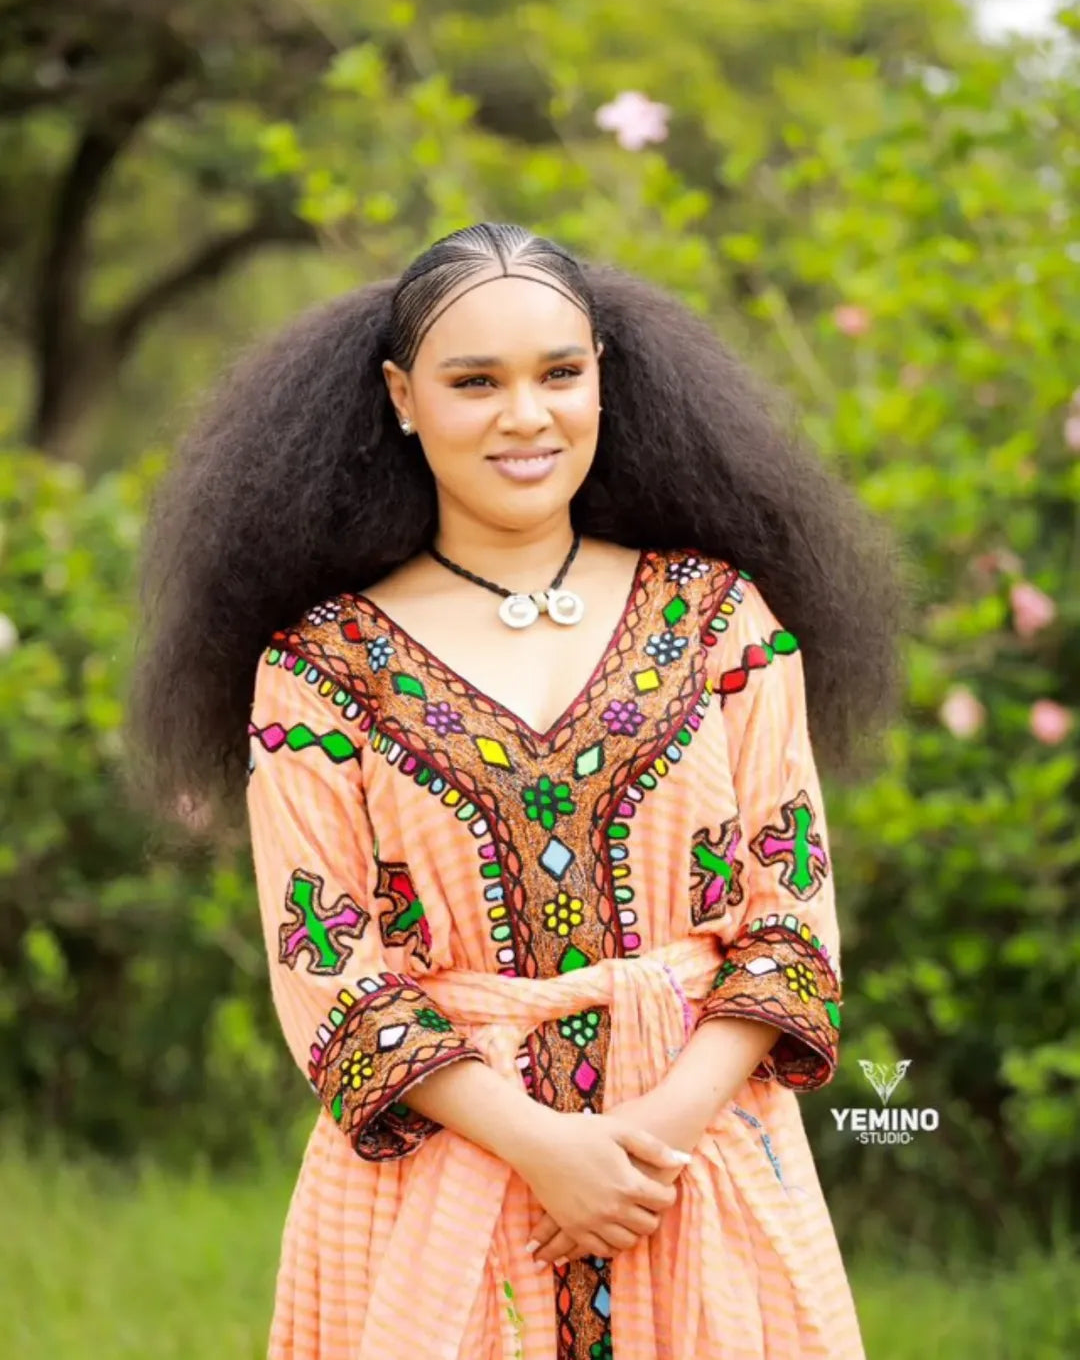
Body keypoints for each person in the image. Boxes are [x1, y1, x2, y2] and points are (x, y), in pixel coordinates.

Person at [129, 221, 910, 1359]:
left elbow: (789, 924)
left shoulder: (717, 618)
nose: (526, 415)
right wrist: (545, 1147)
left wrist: (645, 1139)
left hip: (698, 1166)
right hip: (446, 1180)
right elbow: (329, 973)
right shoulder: (320, 667)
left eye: (559, 371)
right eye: (474, 380)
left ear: (603, 370)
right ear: (403, 397)